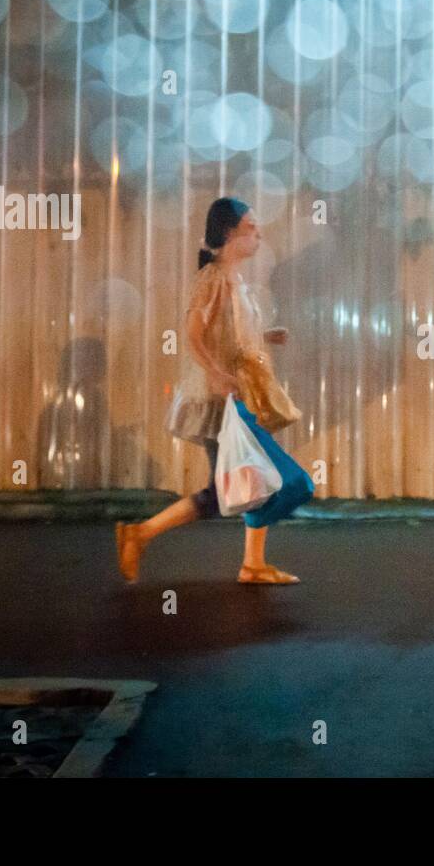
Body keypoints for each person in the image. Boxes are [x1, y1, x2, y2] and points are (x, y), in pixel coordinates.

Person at [115, 197, 312, 585]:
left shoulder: (236, 281)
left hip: (239, 398)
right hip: (220, 402)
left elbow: (231, 335)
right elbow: (193, 333)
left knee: (238, 486)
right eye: (250, 228)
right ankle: (140, 535)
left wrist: (266, 336)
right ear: (228, 234)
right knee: (285, 483)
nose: (258, 234)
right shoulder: (213, 278)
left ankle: (249, 563)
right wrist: (217, 373)